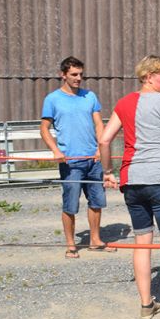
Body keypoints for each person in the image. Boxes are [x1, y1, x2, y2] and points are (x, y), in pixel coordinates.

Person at [99, 55, 160, 319]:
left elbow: (105, 140)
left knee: (142, 242)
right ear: (149, 76)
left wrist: (108, 172)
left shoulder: (124, 102)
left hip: (132, 181)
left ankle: (146, 305)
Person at [39, 56, 110, 259]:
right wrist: (56, 151)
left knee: (97, 201)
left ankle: (95, 240)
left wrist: (100, 148)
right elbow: (44, 129)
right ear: (63, 75)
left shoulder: (90, 96)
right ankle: (71, 244)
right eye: (74, 74)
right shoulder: (52, 99)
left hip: (93, 159)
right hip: (70, 162)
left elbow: (98, 124)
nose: (78, 78)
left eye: (80, 74)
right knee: (70, 204)